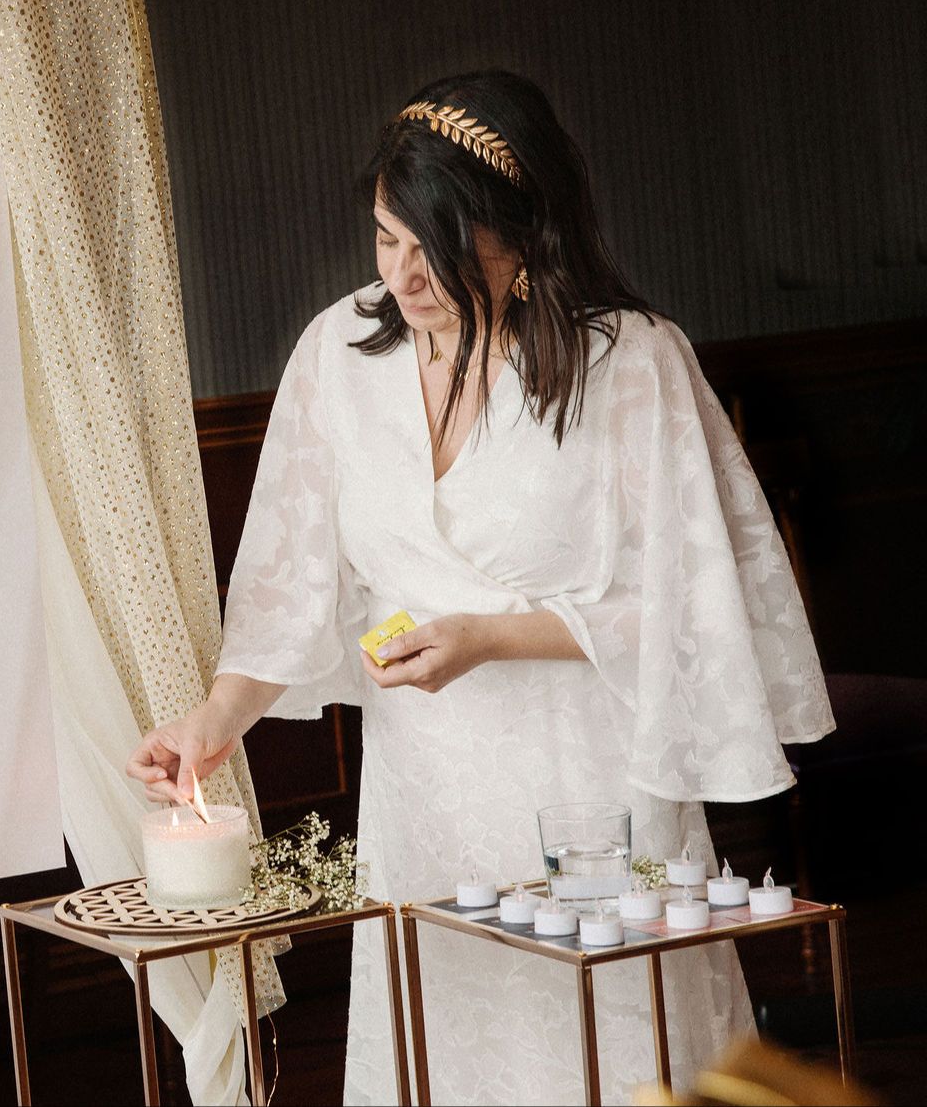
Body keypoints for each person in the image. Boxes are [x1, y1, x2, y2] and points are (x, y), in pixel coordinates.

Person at [129, 71, 833, 1104]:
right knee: (446, 1042)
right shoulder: (337, 355)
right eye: (386, 240)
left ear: (524, 233)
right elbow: (286, 590)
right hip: (425, 791)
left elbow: (693, 607)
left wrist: (492, 637)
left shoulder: (629, 363)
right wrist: (212, 723)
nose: (403, 278)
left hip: (589, 783)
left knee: (608, 1049)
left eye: (439, 249)